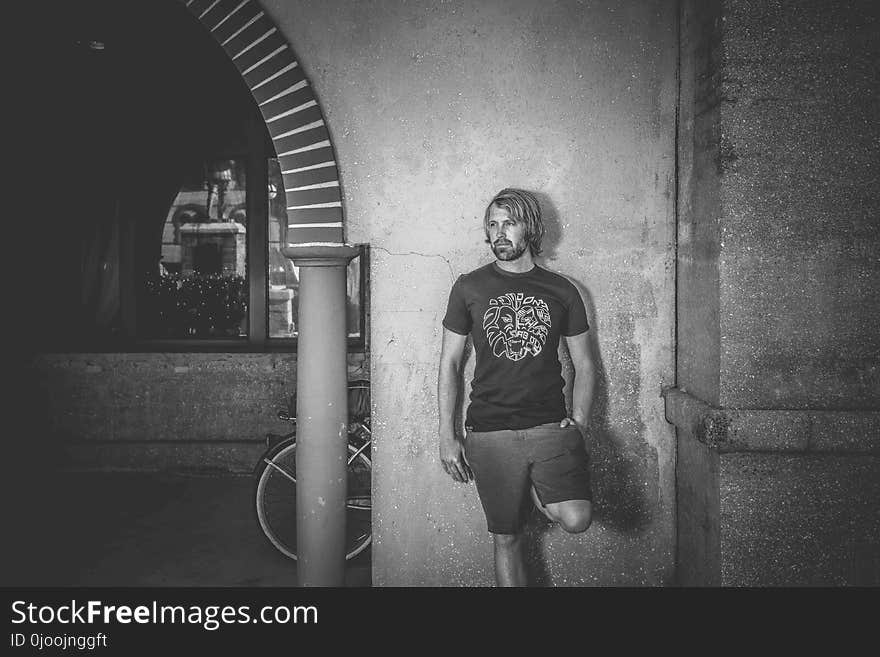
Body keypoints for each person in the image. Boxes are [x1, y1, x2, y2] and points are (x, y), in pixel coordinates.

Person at [438, 188, 595, 587]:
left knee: (576, 519)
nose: (499, 233)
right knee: (506, 538)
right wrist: (447, 434)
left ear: (531, 227)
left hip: (549, 426)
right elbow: (450, 364)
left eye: (509, 223)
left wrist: (579, 420)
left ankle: (538, 491)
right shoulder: (468, 287)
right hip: (489, 431)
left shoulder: (562, 290)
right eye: (492, 224)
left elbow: (585, 363)